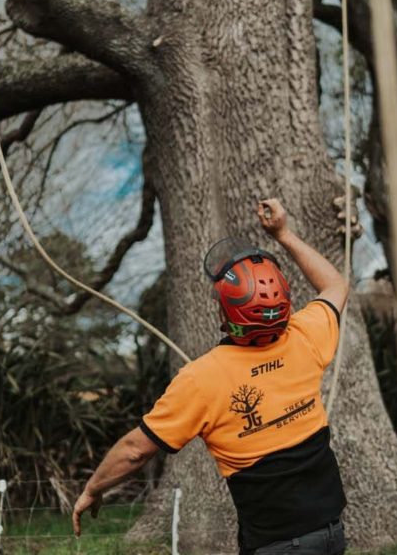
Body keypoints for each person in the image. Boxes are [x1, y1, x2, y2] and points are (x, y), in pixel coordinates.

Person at [72, 198, 349, 555]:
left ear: (225, 311)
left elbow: (135, 451)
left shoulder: (201, 379)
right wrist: (283, 234)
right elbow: (335, 287)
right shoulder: (306, 337)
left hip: (277, 547)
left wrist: (93, 489)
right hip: (330, 535)